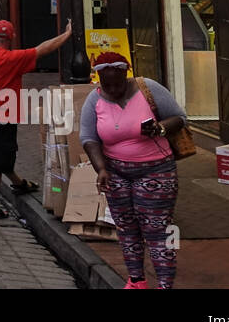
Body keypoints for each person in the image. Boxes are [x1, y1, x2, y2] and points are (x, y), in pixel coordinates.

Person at [81, 51, 189, 289]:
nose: (112, 89)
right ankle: (137, 281)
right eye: (105, 83)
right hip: (116, 173)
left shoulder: (147, 88)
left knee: (157, 230)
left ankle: (164, 284)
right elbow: (88, 138)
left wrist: (160, 128)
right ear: (98, 78)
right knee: (127, 229)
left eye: (117, 83)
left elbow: (180, 118)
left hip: (156, 171)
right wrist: (101, 169)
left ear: (125, 73)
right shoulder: (94, 99)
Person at [0, 18, 73, 219]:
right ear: (11, 38)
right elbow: (43, 49)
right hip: (2, 118)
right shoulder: (14, 58)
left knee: (1, 153)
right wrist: (66, 35)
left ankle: (19, 183)